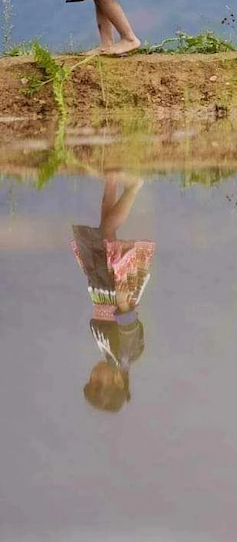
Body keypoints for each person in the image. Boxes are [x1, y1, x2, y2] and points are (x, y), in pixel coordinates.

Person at [70, 173, 155, 412]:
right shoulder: (125, 356)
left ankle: (111, 179)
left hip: (102, 288)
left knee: (103, 232)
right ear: (118, 380)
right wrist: (123, 303)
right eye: (98, 382)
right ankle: (134, 187)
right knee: (107, 231)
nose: (93, 376)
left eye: (90, 381)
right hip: (115, 291)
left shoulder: (110, 355)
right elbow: (129, 328)